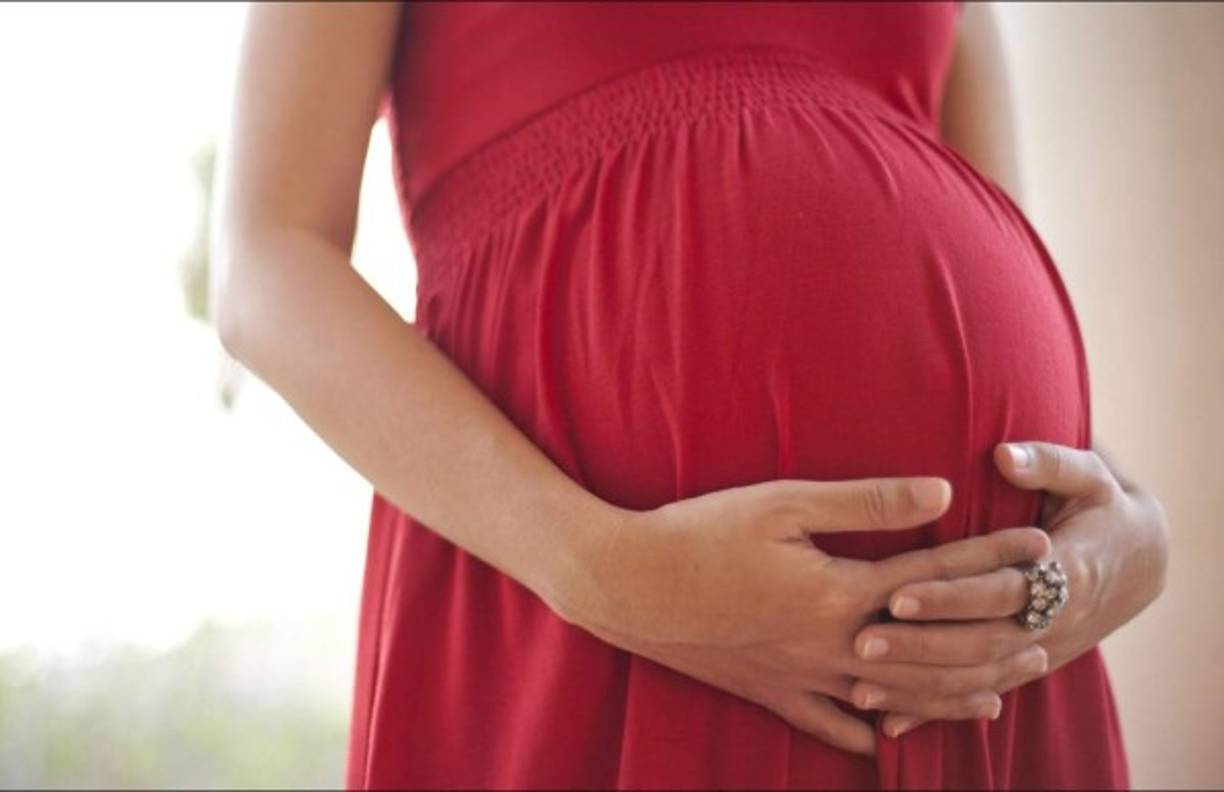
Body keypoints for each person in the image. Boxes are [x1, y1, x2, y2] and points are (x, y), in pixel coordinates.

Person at [210, 2, 1170, 788]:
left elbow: (988, 247)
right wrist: (606, 571)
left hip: (976, 671)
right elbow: (266, 260)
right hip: (594, 618)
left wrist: (1119, 535)